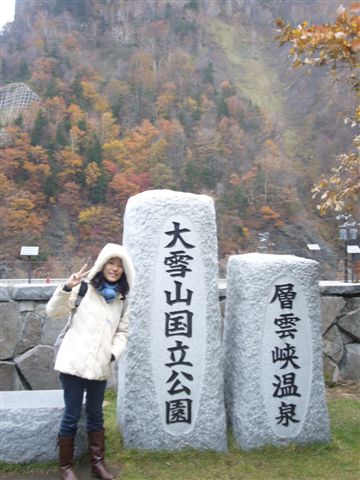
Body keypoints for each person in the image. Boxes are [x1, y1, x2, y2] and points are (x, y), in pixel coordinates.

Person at [46, 243, 134, 480]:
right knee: (72, 414)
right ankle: (66, 467)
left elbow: (123, 332)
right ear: (102, 264)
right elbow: (52, 311)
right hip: (73, 363)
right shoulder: (84, 289)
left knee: (96, 415)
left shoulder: (122, 299)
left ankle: (98, 465)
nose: (114, 268)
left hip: (100, 365)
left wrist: (112, 354)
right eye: (111, 263)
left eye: (119, 265)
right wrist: (66, 287)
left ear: (124, 271)